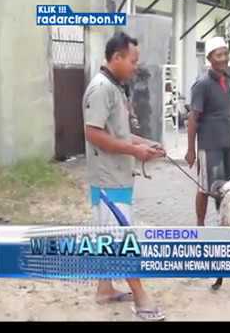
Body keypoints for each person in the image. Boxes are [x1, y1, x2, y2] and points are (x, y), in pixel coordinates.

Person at [83, 31, 166, 321]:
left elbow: (118, 133)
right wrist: (135, 151)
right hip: (108, 179)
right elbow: (93, 133)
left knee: (110, 237)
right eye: (133, 60)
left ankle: (104, 289)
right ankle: (142, 300)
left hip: (117, 176)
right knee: (123, 240)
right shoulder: (101, 88)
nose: (136, 66)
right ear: (116, 58)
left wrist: (144, 144)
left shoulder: (115, 87)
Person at [184, 36, 230, 226]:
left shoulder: (227, 80)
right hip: (209, 146)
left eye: (225, 53)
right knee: (205, 188)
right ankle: (200, 226)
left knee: (229, 187)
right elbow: (193, 118)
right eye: (218, 55)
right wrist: (191, 150)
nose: (223, 58)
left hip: (228, 144)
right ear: (209, 58)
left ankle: (226, 223)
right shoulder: (202, 84)